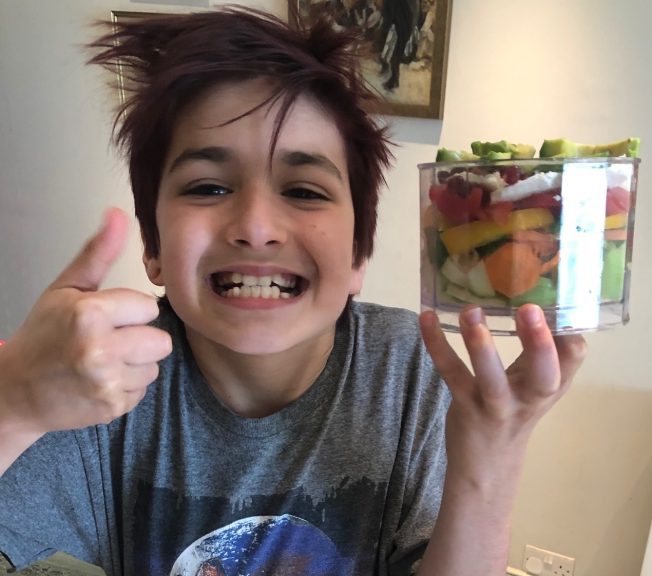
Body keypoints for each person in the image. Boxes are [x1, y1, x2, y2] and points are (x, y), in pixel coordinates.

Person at [0, 6, 586, 576]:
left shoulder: (413, 369)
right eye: (207, 187)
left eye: (304, 191)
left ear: (359, 258)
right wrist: (14, 402)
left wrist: (494, 452)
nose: (256, 227)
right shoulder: (96, 379)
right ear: (152, 248)